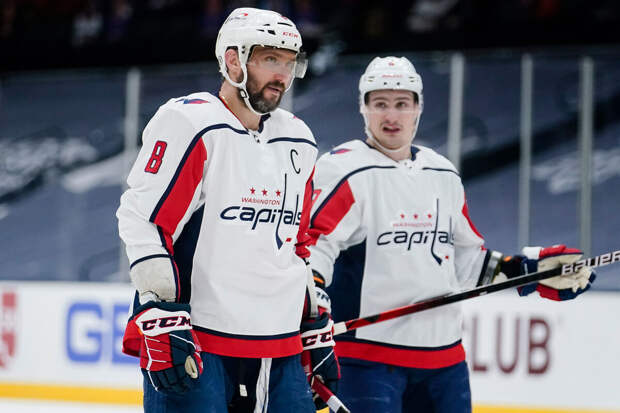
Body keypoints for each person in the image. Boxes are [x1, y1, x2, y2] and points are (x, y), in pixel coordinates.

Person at [307, 56, 595, 413]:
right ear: (363, 108)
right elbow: (313, 248)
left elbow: (466, 262)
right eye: (380, 103)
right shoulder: (344, 169)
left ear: (418, 108)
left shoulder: (442, 173)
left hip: (444, 362)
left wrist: (526, 271)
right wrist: (311, 305)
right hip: (367, 363)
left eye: (402, 103)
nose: (392, 115)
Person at [116, 7, 338, 413]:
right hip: (198, 338)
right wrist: (160, 307)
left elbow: (298, 243)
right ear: (234, 60)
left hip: (280, 344)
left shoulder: (299, 138)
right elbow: (144, 219)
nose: (283, 75)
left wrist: (312, 318)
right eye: (271, 59)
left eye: (290, 63)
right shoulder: (192, 122)